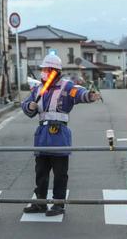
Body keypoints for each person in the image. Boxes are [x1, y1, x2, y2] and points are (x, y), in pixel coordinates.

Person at [21, 54, 100, 216]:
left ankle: (58, 204)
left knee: (60, 173)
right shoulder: (38, 89)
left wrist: (90, 96)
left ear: (56, 71)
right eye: (43, 70)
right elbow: (26, 107)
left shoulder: (66, 87)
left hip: (59, 135)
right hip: (42, 135)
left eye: (47, 70)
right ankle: (41, 202)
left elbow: (79, 94)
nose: (44, 73)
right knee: (40, 172)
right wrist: (30, 105)